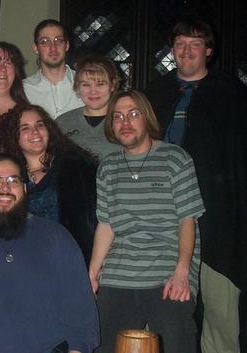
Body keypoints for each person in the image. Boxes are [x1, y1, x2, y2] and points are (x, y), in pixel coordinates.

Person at [144, 21, 247, 353]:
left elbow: (244, 165)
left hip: (218, 221)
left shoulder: (230, 95)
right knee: (160, 304)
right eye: (180, 43)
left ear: (208, 50)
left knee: (219, 309)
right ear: (172, 50)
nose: (186, 50)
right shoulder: (156, 93)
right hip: (161, 216)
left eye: (194, 44)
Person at [0, 153, 100, 353]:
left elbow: (82, 313)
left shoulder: (57, 238)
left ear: (25, 190)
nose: (4, 187)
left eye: (13, 180)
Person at [89, 90, 205, 353]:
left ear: (147, 118)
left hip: (167, 274)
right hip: (119, 275)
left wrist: (182, 273)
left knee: (177, 344)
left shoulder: (175, 158)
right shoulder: (108, 167)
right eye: (118, 116)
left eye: (133, 114)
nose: (125, 122)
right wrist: (92, 274)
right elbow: (106, 225)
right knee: (100, 344)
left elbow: (187, 219)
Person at [0, 104, 97, 264]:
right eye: (25, 128)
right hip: (23, 261)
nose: (35, 132)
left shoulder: (77, 168)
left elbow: (92, 223)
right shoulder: (7, 176)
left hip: (68, 259)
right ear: (14, 136)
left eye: (39, 125)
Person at [56, 55, 122, 161]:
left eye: (100, 84)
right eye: (86, 85)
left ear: (113, 85)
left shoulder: (125, 121)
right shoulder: (62, 123)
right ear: (77, 86)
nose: (93, 91)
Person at [23, 19, 84, 118]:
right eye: (45, 41)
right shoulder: (24, 90)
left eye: (58, 40)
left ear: (67, 45)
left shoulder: (86, 84)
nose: (53, 47)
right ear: (36, 48)